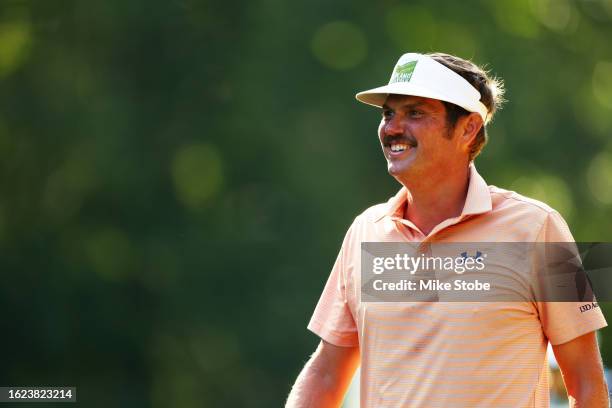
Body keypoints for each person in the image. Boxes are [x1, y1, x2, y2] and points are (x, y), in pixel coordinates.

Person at [285, 52, 609, 407]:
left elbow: (587, 384)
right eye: (388, 113)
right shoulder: (365, 232)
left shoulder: (540, 228)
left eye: (415, 113)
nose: (392, 128)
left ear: (468, 128)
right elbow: (327, 374)